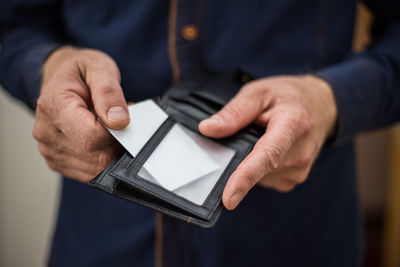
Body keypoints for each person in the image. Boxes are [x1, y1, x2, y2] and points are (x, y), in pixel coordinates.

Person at [0, 0, 399, 266]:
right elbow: (14, 24)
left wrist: (329, 101)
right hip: (101, 239)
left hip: (294, 238)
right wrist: (50, 66)